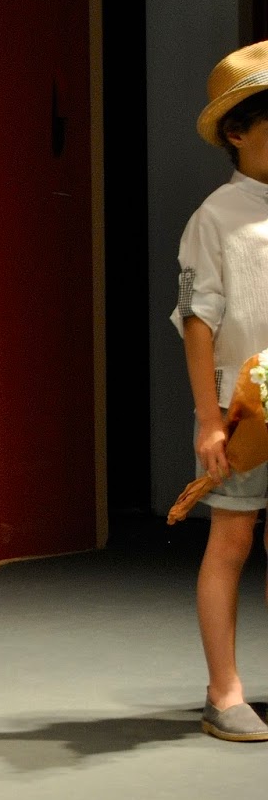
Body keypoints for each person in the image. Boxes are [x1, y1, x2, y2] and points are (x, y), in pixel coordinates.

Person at [174, 39, 268, 742]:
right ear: (237, 132)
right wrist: (210, 419)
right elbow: (197, 318)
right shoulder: (218, 215)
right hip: (244, 407)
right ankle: (224, 689)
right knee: (232, 537)